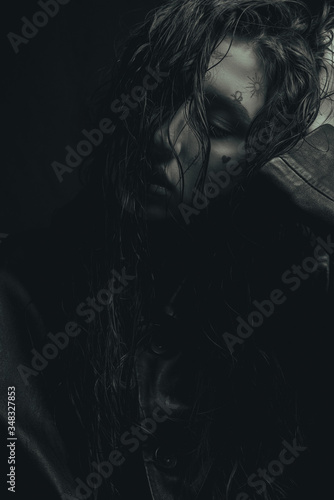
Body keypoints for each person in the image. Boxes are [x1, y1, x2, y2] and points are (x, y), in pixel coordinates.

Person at [1, 0, 334, 499]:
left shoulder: (297, 311)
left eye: (217, 124)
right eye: (158, 95)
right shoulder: (14, 298)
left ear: (271, 156)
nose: (163, 136)